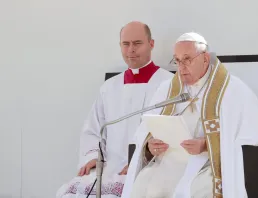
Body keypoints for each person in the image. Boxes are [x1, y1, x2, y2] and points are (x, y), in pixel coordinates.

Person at [121, 32, 258, 198]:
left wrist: (207, 145)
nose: (181, 67)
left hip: (207, 165)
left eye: (187, 59)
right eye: (177, 60)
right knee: (143, 184)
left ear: (205, 58)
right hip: (169, 161)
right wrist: (150, 146)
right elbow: (146, 132)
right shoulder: (167, 89)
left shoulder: (233, 90)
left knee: (192, 190)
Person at [56, 21, 174, 198]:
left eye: (137, 43)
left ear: (151, 44)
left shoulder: (169, 84)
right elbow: (93, 130)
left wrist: (141, 161)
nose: (131, 50)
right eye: (126, 44)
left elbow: (172, 133)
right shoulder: (109, 87)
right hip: (110, 169)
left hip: (150, 168)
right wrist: (93, 158)